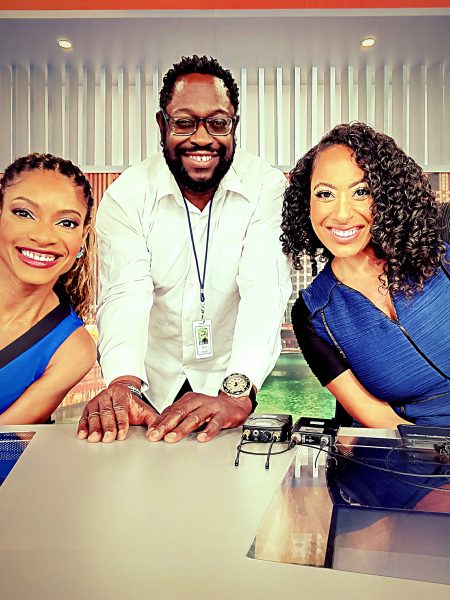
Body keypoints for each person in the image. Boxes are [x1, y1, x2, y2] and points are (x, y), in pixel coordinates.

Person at [77, 55, 292, 444]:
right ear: (162, 124)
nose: (202, 138)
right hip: (150, 385)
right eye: (184, 122)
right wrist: (125, 381)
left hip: (232, 381)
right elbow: (124, 293)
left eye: (218, 123)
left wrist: (237, 391)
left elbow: (265, 288)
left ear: (234, 125)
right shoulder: (127, 196)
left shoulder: (266, 187)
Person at [281, 122, 450, 428]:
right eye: (324, 194)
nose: (342, 213)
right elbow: (375, 417)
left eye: (361, 191)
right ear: (306, 204)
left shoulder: (442, 243)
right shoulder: (312, 314)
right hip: (412, 458)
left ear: (387, 197)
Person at [0, 153, 97, 423]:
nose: (43, 237)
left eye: (66, 223)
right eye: (24, 213)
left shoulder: (73, 349)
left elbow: (5, 442)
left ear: (82, 238)